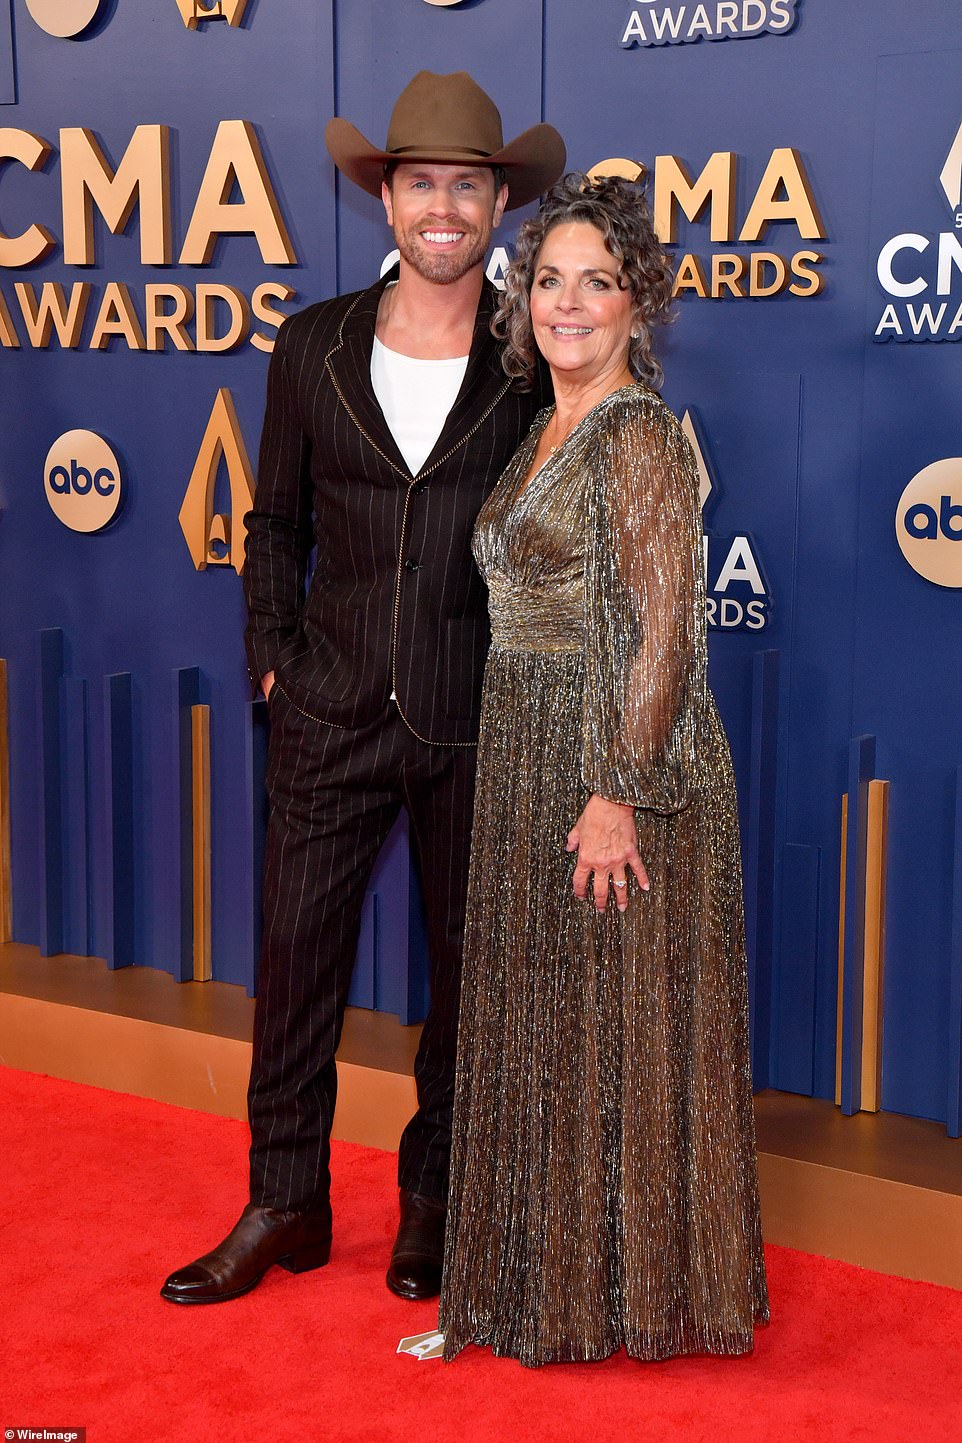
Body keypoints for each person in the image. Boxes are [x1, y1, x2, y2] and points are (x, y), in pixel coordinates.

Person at [160, 72, 565, 1307]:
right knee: (291, 964)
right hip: (327, 708)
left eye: (465, 184)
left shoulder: (530, 353)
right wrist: (274, 655)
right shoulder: (313, 340)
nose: (440, 206)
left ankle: (433, 1197)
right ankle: (284, 1200)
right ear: (384, 198)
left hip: (475, 713)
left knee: (467, 977)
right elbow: (271, 518)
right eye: (417, 182)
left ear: (496, 204)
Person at [438, 174, 770, 1365]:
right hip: (528, 747)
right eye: (547, 280)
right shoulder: (546, 423)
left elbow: (665, 632)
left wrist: (614, 796)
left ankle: (615, 1297)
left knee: (608, 1027)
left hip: (611, 770)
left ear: (640, 305)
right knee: (552, 1025)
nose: (565, 304)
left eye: (596, 282)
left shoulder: (632, 435)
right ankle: (545, 1282)